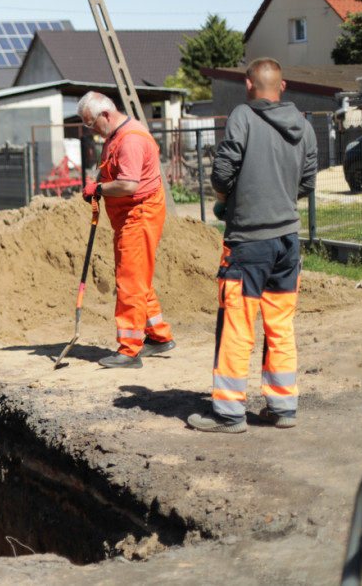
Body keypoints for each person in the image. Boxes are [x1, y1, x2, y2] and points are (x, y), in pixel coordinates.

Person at [188, 58, 317, 434]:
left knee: (237, 325)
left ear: (248, 86)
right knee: (280, 324)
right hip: (287, 242)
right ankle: (282, 407)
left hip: (248, 243)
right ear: (283, 85)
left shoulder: (242, 116)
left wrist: (225, 198)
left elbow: (223, 171)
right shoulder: (305, 125)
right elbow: (307, 181)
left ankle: (228, 413)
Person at [78, 91, 176, 369]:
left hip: (140, 214)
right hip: (128, 216)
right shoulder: (113, 136)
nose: (91, 131)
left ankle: (129, 350)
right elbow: (109, 170)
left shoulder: (130, 140)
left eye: (91, 124)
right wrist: (97, 184)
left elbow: (129, 185)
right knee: (137, 275)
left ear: (105, 115)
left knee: (130, 281)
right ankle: (158, 336)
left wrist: (97, 189)